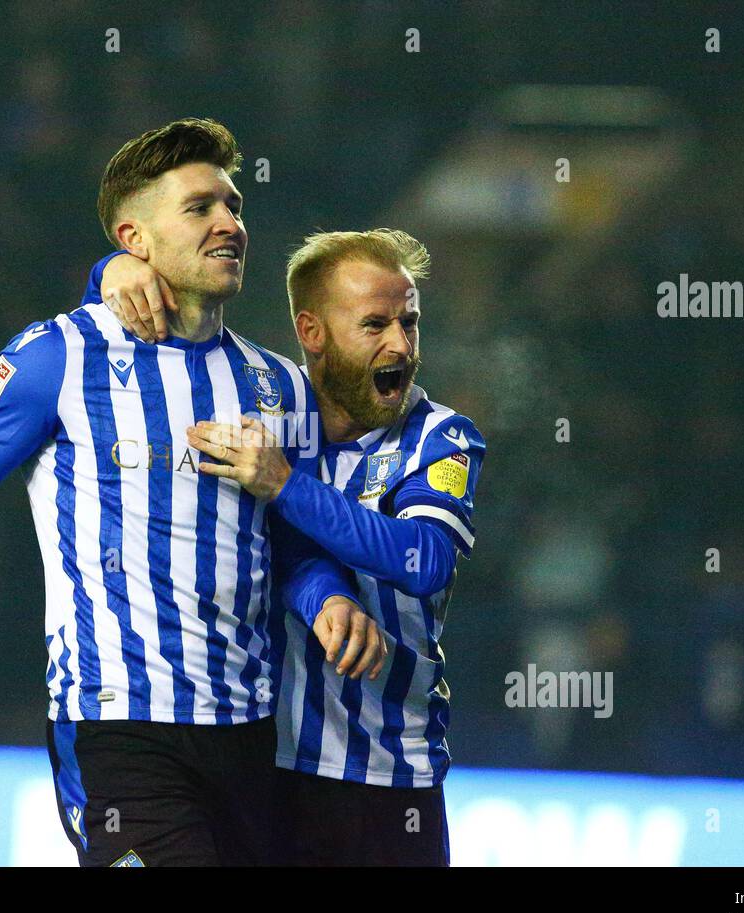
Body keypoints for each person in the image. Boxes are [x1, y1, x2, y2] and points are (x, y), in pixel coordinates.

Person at [0, 119, 384, 867]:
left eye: (235, 205)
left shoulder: (279, 383)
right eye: (199, 208)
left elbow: (290, 546)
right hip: (116, 726)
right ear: (134, 239)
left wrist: (327, 600)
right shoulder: (57, 355)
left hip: (250, 731)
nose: (229, 224)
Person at [85, 227, 484, 865]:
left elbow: (425, 559)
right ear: (311, 331)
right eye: (375, 325)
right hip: (263, 765)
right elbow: (131, 342)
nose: (400, 345)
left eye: (410, 324)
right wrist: (109, 269)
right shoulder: (261, 411)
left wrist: (285, 486)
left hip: (388, 778)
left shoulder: (438, 435)